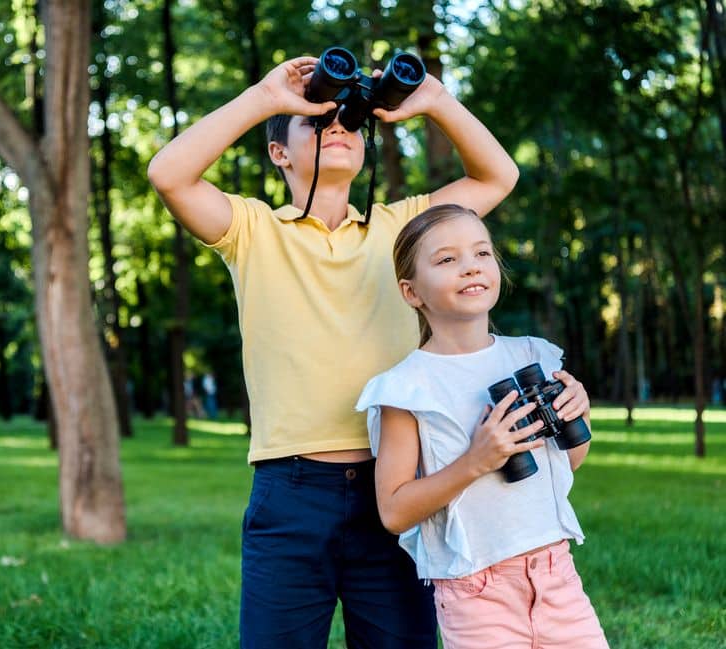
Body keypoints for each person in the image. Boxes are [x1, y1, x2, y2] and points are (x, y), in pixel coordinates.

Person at [148, 52, 518, 648]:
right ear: (279, 153)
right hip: (289, 493)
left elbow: (498, 177)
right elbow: (169, 173)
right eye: (315, 122)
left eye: (348, 119)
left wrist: (438, 102)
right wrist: (267, 98)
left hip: (395, 487)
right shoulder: (252, 230)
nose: (337, 125)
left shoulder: (404, 231)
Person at [356, 205, 609, 649]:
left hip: (556, 576)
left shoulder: (533, 356)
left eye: (482, 253)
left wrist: (579, 416)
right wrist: (476, 461)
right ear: (411, 291)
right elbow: (393, 512)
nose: (471, 266)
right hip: (476, 593)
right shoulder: (405, 389)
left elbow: (566, 464)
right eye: (447, 259)